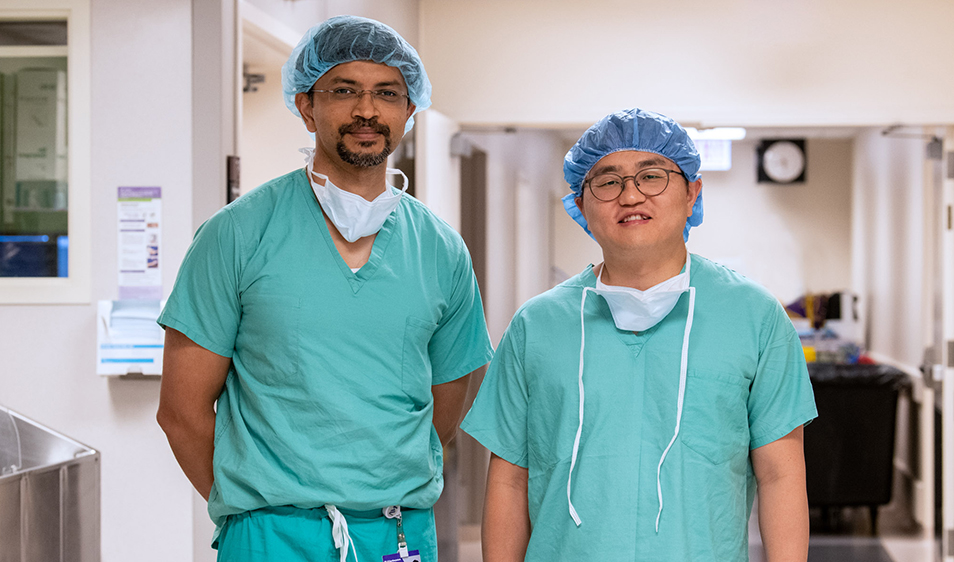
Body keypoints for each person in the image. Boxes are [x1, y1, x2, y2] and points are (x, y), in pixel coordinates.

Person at [156, 15, 492, 562]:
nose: (367, 110)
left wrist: (378, 478)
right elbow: (182, 411)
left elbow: (447, 399)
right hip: (271, 534)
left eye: (387, 93)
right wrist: (256, 507)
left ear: (409, 111)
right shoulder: (238, 234)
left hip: (396, 533)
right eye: (344, 91)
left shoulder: (440, 249)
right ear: (307, 106)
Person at [461, 108, 817, 562]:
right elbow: (510, 479)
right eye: (607, 182)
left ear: (692, 193)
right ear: (581, 204)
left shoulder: (754, 317)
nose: (630, 195)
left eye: (652, 176)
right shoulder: (537, 326)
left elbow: (780, 476)